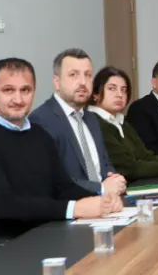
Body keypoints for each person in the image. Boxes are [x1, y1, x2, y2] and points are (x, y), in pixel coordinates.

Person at [0, 58, 120, 239]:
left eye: (25, 90)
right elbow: (6, 206)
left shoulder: (40, 135)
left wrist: (102, 199)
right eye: (8, 90)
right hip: (2, 245)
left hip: (46, 233)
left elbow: (63, 187)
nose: (18, 99)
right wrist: (75, 208)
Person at [29, 48, 126, 196]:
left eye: (88, 75)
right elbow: (53, 180)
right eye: (73, 75)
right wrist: (100, 188)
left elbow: (105, 164)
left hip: (107, 202)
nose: (82, 82)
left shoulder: (91, 118)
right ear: (57, 82)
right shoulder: (41, 120)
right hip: (74, 206)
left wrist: (115, 180)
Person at [89, 66, 158, 181]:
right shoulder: (95, 123)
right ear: (95, 93)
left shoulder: (121, 121)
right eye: (112, 88)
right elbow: (127, 168)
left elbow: (145, 156)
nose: (119, 94)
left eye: (124, 90)